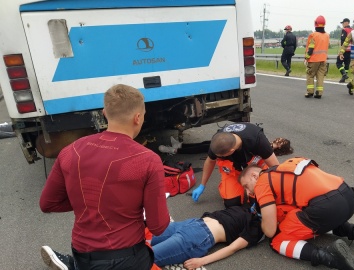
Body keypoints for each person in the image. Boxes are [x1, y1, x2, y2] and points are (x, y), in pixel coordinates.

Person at [39, 84, 170, 270]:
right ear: (138, 117)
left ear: (105, 113)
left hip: (81, 253)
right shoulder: (147, 160)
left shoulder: (71, 150)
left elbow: (47, 203)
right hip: (126, 257)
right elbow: (158, 227)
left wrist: (88, 203)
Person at [240, 157, 354, 270]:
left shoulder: (262, 183)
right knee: (312, 218)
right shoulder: (281, 171)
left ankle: (328, 256)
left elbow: (269, 230)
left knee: (277, 241)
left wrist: (264, 221)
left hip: (325, 208)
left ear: (255, 175)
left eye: (246, 186)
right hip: (348, 196)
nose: (248, 193)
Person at [191, 122, 279, 208]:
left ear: (231, 151)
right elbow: (210, 161)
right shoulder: (218, 142)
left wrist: (278, 189)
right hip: (233, 170)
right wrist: (202, 185)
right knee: (232, 203)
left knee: (259, 201)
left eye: (221, 156)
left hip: (255, 167)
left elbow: (275, 166)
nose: (219, 158)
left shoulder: (257, 140)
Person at [150, 206, 263, 268]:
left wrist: (202, 261)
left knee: (144, 258)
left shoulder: (256, 227)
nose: (247, 191)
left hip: (199, 236)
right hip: (192, 223)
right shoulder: (247, 208)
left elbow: (233, 248)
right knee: (137, 238)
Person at [304, 15, 330, 99]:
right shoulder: (327, 35)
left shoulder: (313, 35)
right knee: (320, 76)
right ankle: (319, 93)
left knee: (310, 75)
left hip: (314, 60)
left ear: (315, 24)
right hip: (323, 60)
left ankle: (310, 92)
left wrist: (306, 58)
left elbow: (311, 48)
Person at [336, 18, 353, 83]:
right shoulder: (353, 30)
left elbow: (343, 40)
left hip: (345, 50)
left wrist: (341, 51)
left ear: (347, 22)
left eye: (343, 23)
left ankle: (344, 74)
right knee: (346, 64)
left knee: (338, 63)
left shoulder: (344, 30)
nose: (342, 24)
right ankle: (344, 78)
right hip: (351, 50)